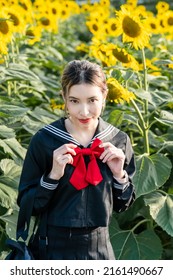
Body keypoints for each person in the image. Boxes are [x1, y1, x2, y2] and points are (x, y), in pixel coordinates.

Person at [17, 60, 135, 260]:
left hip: (100, 250)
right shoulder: (45, 139)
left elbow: (124, 205)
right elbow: (29, 205)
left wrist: (119, 176)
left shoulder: (118, 141)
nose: (84, 111)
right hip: (51, 248)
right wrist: (53, 176)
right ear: (64, 98)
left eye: (92, 100)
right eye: (74, 101)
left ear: (104, 96)